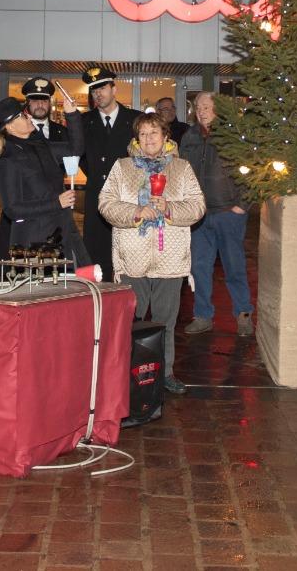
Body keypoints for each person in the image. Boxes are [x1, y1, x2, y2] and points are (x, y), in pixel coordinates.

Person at [99, 112, 205, 393]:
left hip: (170, 259)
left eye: (154, 133)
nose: (148, 139)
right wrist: (136, 211)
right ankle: (125, 372)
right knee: (129, 322)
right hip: (131, 258)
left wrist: (168, 208)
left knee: (165, 322)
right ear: (136, 138)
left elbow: (197, 206)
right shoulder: (122, 167)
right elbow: (106, 204)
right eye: (143, 134)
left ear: (165, 137)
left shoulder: (181, 169)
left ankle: (165, 372)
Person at [0, 94, 93, 270]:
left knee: (70, 292)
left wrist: (72, 115)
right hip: (35, 245)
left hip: (62, 234)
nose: (29, 116)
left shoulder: (40, 146)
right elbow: (12, 209)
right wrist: (56, 203)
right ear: (9, 127)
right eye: (22, 115)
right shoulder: (8, 161)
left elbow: (76, 149)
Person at [179, 92, 253, 337]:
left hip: (228, 213)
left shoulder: (233, 135)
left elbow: (252, 172)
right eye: (199, 106)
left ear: (217, 109)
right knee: (199, 267)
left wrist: (242, 205)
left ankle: (243, 315)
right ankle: (202, 316)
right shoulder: (189, 136)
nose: (202, 110)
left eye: (207, 106)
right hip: (199, 215)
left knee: (234, 267)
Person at [76, 65, 139, 281]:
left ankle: (131, 304)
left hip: (127, 197)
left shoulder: (135, 120)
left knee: (128, 251)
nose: (98, 94)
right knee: (97, 251)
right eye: (94, 90)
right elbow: (79, 155)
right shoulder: (84, 122)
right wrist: (95, 173)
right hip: (97, 195)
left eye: (102, 88)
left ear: (114, 88)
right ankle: (99, 301)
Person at [21, 77, 66, 143]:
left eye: (44, 101)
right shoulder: (19, 131)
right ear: (28, 103)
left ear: (49, 103)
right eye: (35, 101)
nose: (40, 105)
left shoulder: (62, 131)